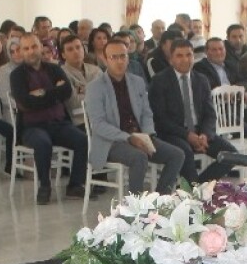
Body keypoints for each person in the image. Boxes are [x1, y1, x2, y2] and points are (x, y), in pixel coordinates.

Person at [84, 38, 183, 194]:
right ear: (105, 60)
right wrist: (128, 138)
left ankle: (159, 200)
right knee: (139, 158)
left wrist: (147, 134)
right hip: (111, 142)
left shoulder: (137, 82)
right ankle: (135, 207)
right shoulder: (95, 87)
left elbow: (146, 113)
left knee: (177, 155)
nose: (119, 61)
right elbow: (98, 125)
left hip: (140, 136)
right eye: (114, 57)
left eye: (123, 56)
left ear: (128, 57)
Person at [9, 34, 88, 203]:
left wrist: (42, 93)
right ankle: (44, 186)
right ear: (21, 52)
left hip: (59, 124)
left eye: (34, 47)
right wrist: (53, 92)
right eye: (26, 48)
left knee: (83, 140)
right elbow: (26, 102)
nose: (31, 51)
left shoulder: (54, 68)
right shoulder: (17, 75)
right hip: (32, 127)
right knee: (43, 143)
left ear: (40, 48)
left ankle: (75, 185)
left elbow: (67, 92)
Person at [149, 39, 236, 185]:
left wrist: (205, 135)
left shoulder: (201, 80)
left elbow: (210, 114)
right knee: (185, 152)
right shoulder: (160, 81)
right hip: (173, 133)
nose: (185, 60)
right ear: (171, 60)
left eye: (189, 55)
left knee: (231, 155)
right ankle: (194, 189)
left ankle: (198, 186)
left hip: (199, 132)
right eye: (179, 56)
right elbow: (160, 119)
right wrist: (187, 135)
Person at [59, 34, 101, 126]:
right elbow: (74, 102)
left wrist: (84, 91)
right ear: (63, 55)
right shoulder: (61, 73)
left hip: (102, 117)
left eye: (78, 47)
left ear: (84, 49)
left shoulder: (95, 70)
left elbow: (106, 95)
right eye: (70, 49)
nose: (76, 52)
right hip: (79, 120)